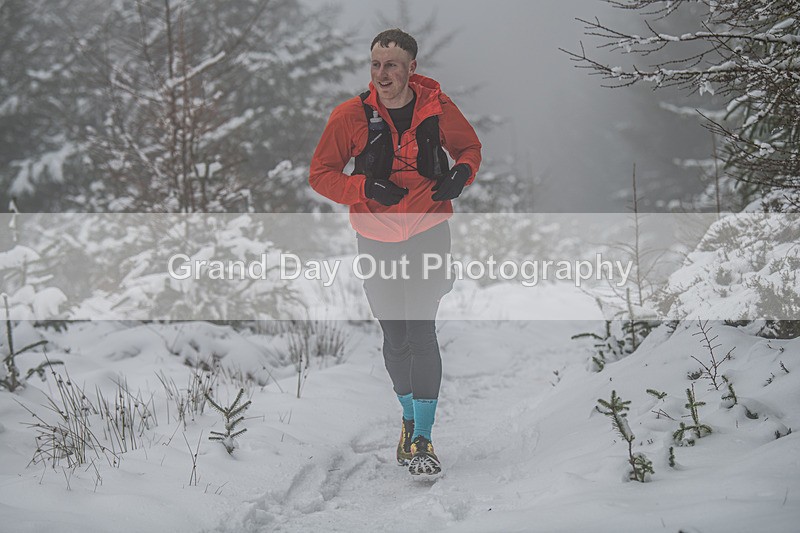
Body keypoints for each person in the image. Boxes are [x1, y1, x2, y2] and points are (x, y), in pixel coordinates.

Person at [309, 28, 481, 476]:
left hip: (428, 232)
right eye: (376, 65)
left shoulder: (437, 109)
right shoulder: (350, 116)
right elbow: (321, 174)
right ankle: (408, 420)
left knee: (422, 334)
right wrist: (363, 187)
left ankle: (422, 438)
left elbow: (469, 148)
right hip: (375, 236)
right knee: (396, 339)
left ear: (411, 69)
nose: (382, 74)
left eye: (392, 65)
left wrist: (461, 173)